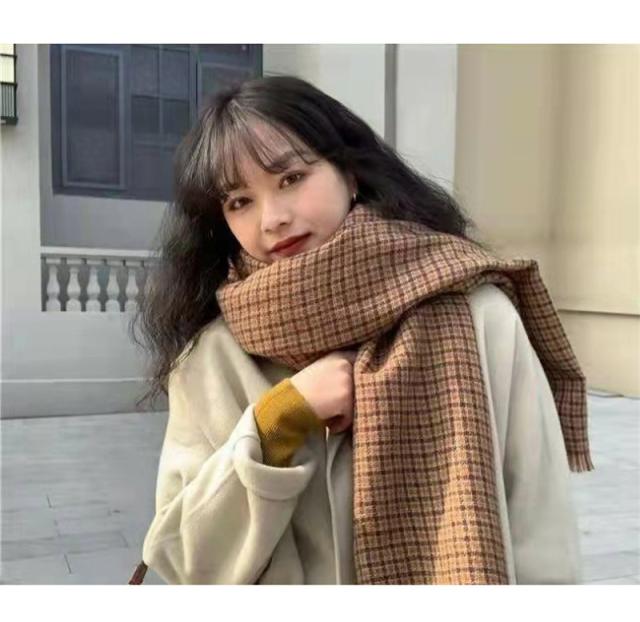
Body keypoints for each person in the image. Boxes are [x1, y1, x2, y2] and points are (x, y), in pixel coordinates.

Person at [128, 75, 590, 585]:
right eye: (240, 201)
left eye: (291, 178)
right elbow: (186, 561)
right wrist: (277, 423)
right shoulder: (212, 359)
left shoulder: (479, 315)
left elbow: (538, 522)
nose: (272, 218)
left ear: (349, 175)